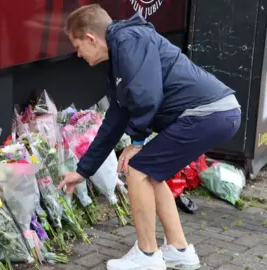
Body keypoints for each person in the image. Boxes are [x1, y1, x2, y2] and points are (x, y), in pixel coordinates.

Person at [58, 4, 241, 270]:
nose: (78, 53)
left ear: (90, 38)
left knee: (136, 168)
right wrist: (83, 171)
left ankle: (146, 255)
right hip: (216, 114)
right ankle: (179, 250)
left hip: (207, 113)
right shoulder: (120, 59)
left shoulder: (128, 40)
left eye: (77, 46)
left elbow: (147, 94)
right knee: (151, 173)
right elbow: (114, 122)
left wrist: (137, 142)